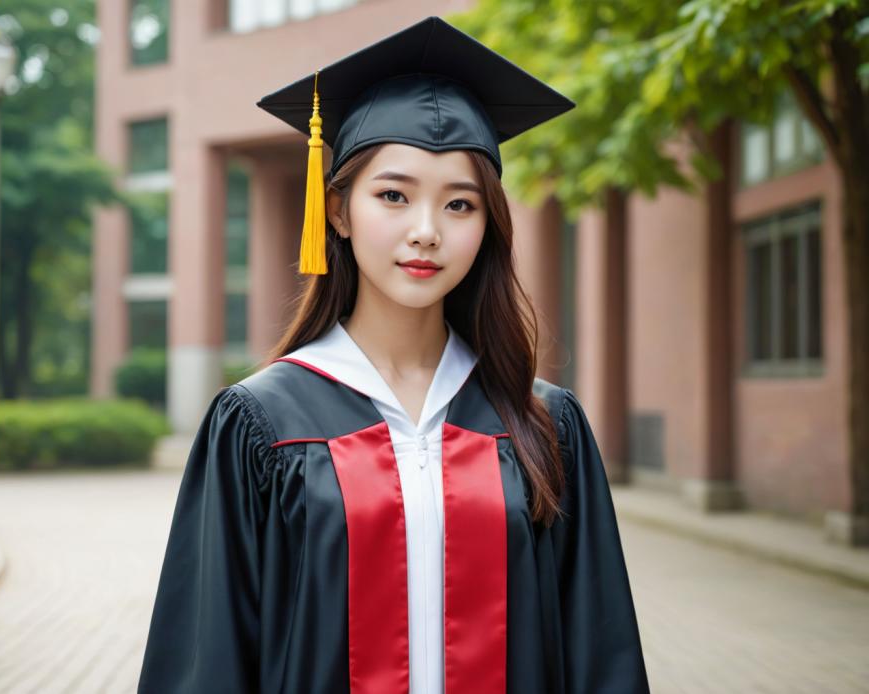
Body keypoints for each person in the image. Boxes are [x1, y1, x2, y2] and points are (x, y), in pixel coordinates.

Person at [137, 15, 649, 694]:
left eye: (460, 205)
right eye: (393, 196)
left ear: (488, 224)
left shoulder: (543, 424)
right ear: (339, 213)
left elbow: (599, 654)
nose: (427, 231)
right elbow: (209, 660)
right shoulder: (261, 424)